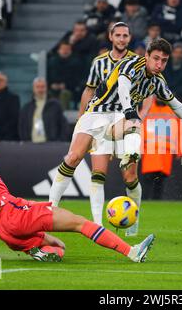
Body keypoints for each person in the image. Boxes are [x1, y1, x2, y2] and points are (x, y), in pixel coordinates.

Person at [48, 38, 182, 237]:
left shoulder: (158, 82)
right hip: (97, 113)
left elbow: (177, 106)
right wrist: (129, 110)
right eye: (156, 59)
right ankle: (50, 209)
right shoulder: (131, 64)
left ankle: (132, 224)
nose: (159, 64)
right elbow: (124, 85)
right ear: (147, 56)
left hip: (121, 120)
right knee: (73, 158)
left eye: (164, 60)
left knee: (131, 176)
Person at [0, 123, 155, 263]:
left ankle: (41, 251)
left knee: (59, 247)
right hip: (15, 214)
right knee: (80, 223)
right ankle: (132, 252)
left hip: (6, 233)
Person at [76, 22, 142, 235]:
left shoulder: (137, 62)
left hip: (125, 120)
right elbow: (89, 90)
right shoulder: (98, 63)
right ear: (111, 37)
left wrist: (140, 117)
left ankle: (133, 224)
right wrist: (82, 120)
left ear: (129, 38)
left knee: (130, 177)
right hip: (99, 119)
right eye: (118, 35)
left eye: (125, 35)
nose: (122, 39)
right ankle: (97, 224)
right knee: (98, 172)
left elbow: (146, 92)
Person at [141, 96, 182, 200]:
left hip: (164, 151)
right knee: (149, 180)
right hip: (151, 152)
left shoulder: (171, 110)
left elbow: (180, 131)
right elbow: (141, 128)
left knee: (159, 181)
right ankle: (148, 201)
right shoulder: (148, 108)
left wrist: (180, 150)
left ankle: (153, 202)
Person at [18, 77, 70, 142]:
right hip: (30, 146)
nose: (40, 89)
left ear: (46, 88)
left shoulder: (55, 105)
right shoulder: (26, 108)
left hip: (51, 146)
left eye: (42, 87)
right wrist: (25, 142)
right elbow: (22, 128)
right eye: (38, 87)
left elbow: (64, 126)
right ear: (33, 89)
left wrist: (58, 142)